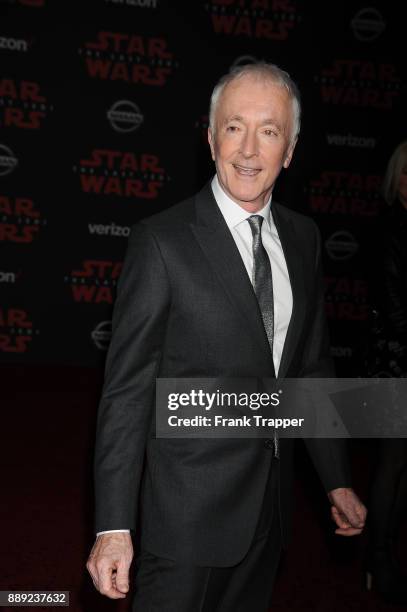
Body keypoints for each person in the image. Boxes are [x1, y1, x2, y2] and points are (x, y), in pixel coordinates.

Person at [86, 62, 366, 611]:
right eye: (234, 127)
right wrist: (113, 527)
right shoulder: (161, 243)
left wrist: (337, 479)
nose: (248, 150)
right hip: (185, 522)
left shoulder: (305, 238)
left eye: (269, 130)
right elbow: (126, 394)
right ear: (211, 138)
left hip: (270, 516)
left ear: (290, 149)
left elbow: (310, 370)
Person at [365, 140, 407, 605]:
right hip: (392, 362)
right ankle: (377, 558)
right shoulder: (387, 229)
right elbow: (394, 310)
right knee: (392, 460)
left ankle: (387, 552)